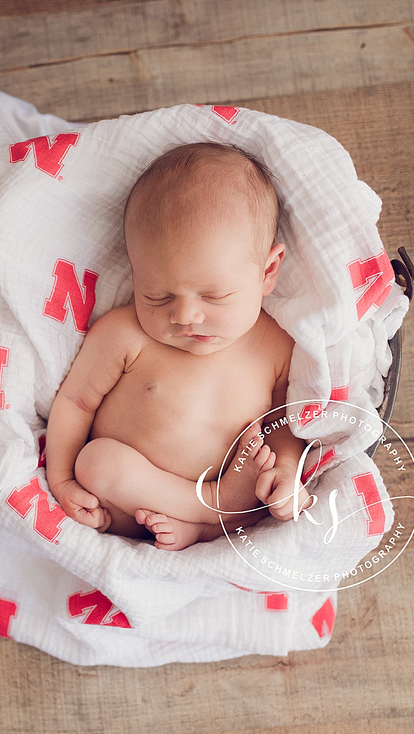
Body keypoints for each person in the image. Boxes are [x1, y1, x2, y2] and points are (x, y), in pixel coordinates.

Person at [44, 142, 312, 551]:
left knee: (269, 486)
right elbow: (76, 402)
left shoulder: (277, 346)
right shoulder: (124, 333)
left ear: (268, 271)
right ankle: (209, 512)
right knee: (96, 462)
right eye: (158, 296)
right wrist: (61, 480)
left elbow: (284, 422)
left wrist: (288, 470)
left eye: (214, 296)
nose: (185, 316)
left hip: (237, 497)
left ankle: (202, 529)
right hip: (121, 499)